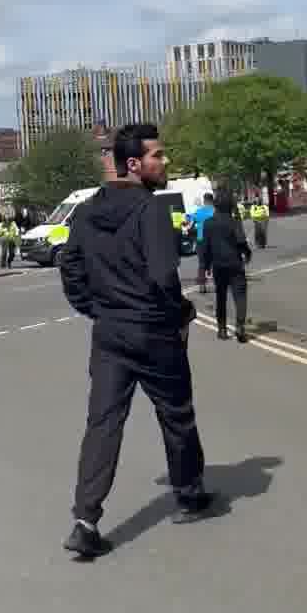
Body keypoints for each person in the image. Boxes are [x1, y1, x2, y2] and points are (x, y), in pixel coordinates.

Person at [59, 122, 214, 560]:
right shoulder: (150, 210)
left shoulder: (87, 211)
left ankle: (85, 521)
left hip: (109, 332)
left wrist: (93, 308)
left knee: (103, 423)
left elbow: (69, 266)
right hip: (152, 330)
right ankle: (188, 493)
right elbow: (164, 276)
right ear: (134, 163)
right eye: (158, 156)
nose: (164, 163)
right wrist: (180, 315)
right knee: (176, 413)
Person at [202, 189, 252, 343]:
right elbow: (241, 242)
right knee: (240, 296)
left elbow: (206, 247)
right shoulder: (234, 222)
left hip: (218, 265)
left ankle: (222, 329)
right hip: (234, 263)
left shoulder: (208, 223)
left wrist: (206, 266)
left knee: (221, 297)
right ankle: (240, 327)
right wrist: (247, 254)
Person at [192, 192, 215, 293]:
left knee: (202, 263)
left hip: (201, 240)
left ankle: (202, 285)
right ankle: (217, 284)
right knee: (215, 262)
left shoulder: (198, 212)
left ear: (204, 200)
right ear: (212, 200)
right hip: (214, 240)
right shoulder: (216, 211)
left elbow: (191, 225)